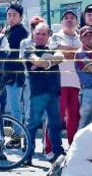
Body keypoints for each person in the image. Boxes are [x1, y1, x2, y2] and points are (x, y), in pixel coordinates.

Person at [23, 23, 64, 162]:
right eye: (38, 33)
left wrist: (44, 63)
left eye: (44, 34)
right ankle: (27, 154)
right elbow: (36, 61)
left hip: (54, 92)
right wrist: (48, 63)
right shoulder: (29, 49)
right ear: (33, 34)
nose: (40, 36)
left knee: (55, 124)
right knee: (33, 124)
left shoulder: (53, 50)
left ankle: (58, 153)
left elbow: (60, 57)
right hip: (38, 93)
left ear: (49, 35)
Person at [49, 9, 81, 144]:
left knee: (74, 116)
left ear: (77, 22)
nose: (69, 20)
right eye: (66, 18)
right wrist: (77, 52)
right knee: (57, 116)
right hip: (58, 82)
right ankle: (50, 148)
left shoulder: (81, 38)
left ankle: (72, 146)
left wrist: (68, 51)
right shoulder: (56, 37)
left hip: (76, 83)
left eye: (72, 17)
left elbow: (84, 55)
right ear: (61, 22)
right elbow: (56, 52)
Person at [0, 2, 28, 125]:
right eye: (9, 15)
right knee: (11, 107)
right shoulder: (10, 30)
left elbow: (7, 51)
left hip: (15, 75)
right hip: (8, 74)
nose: (11, 18)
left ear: (20, 17)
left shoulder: (20, 32)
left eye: (14, 15)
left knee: (15, 108)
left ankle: (18, 136)